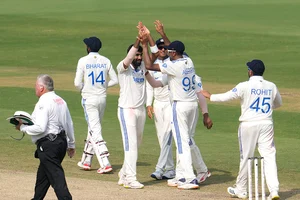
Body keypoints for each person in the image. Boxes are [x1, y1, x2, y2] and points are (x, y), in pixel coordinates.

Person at [200, 59, 282, 200]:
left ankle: (241, 189)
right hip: (266, 124)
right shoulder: (271, 86)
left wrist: (210, 96)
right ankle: (274, 191)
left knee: (246, 157)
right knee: (269, 157)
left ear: (250, 71)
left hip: (248, 125)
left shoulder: (244, 86)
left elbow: (227, 97)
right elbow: (278, 104)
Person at [145, 21, 212, 184]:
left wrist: (146, 42)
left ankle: (189, 177)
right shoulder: (189, 62)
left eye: (169, 52)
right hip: (191, 105)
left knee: (182, 141)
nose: (167, 52)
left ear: (173, 53)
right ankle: (184, 174)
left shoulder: (173, 67)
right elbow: (157, 82)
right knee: (186, 139)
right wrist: (162, 34)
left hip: (180, 106)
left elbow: (148, 64)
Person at [116, 31, 164, 189]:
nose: (138, 58)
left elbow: (155, 57)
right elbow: (129, 58)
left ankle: (123, 173)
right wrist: (138, 40)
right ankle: (130, 177)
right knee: (131, 145)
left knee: (136, 144)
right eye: (136, 55)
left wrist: (147, 41)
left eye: (140, 55)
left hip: (140, 110)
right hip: (127, 110)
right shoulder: (123, 68)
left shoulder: (143, 67)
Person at [15, 74, 75, 200]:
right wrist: (71, 144)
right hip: (61, 143)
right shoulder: (61, 100)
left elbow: (40, 128)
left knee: (56, 177)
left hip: (49, 145)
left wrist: (22, 128)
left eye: (36, 86)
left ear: (42, 87)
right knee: (43, 177)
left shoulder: (43, 102)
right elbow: (69, 123)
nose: (35, 88)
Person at [74, 36, 118, 174]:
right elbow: (115, 80)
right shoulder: (106, 61)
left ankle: (105, 162)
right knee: (93, 128)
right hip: (102, 98)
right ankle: (86, 160)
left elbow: (76, 83)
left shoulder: (83, 61)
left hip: (89, 99)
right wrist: (103, 86)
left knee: (95, 130)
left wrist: (83, 88)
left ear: (88, 48)